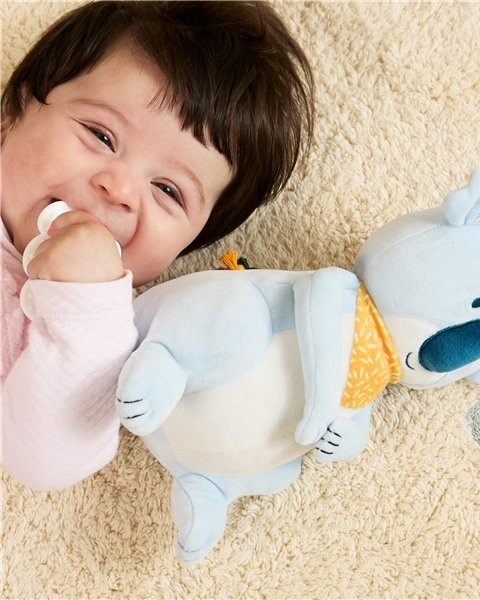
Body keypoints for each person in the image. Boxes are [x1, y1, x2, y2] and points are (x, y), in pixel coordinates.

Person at [1, 0, 314, 490]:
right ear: (14, 112)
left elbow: (42, 461)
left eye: (168, 191)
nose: (120, 189)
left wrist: (86, 304)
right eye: (101, 135)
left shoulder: (97, 333)